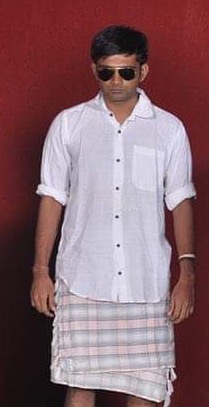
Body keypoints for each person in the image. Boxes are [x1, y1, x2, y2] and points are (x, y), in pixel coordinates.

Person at [30, 25, 196, 407]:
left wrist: (187, 274)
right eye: (106, 72)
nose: (116, 81)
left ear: (144, 70)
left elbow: (182, 201)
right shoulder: (69, 124)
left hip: (146, 282)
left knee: (146, 390)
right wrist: (40, 270)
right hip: (82, 278)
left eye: (126, 72)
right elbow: (52, 197)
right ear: (94, 70)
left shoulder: (169, 130)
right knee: (80, 386)